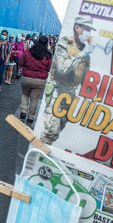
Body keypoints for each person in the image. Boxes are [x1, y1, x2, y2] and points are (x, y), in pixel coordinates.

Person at [41, 15, 96, 144]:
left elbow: (85, 74)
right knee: (51, 131)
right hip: (57, 90)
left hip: (71, 92)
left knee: (59, 130)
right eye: (86, 29)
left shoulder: (84, 49)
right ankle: (39, 152)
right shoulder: (64, 43)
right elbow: (62, 69)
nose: (88, 33)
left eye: (90, 30)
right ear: (77, 27)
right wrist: (83, 54)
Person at [18, 35, 52, 124]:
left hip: (27, 78)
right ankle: (31, 117)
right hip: (40, 80)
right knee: (34, 99)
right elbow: (49, 68)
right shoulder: (48, 55)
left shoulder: (28, 51)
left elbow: (21, 62)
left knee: (25, 94)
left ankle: (23, 112)